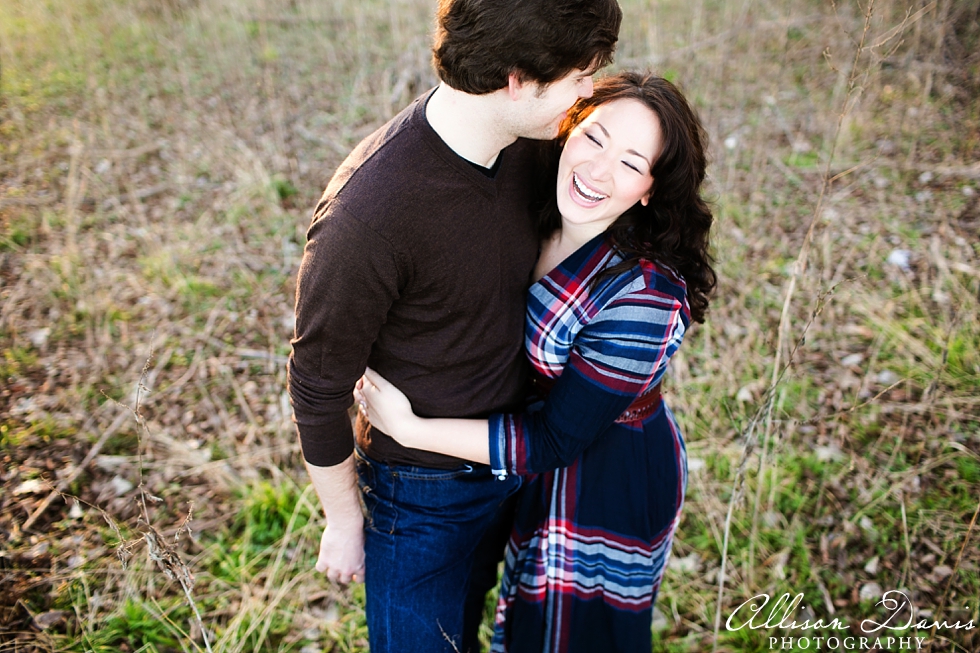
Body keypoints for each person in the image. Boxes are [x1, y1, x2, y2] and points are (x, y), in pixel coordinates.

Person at [287, 1, 623, 651]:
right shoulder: (369, 215)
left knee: (469, 628)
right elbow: (316, 381)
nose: (590, 90)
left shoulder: (538, 148)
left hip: (518, 457)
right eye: (580, 74)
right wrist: (343, 517)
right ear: (518, 78)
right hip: (419, 493)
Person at [355, 72, 716, 653]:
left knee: (571, 637)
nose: (598, 170)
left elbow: (553, 440)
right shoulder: (542, 208)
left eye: (630, 163)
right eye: (594, 138)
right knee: (524, 614)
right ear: (569, 128)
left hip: (611, 470)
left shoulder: (643, 294)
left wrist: (409, 429)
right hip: (536, 452)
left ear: (650, 189)